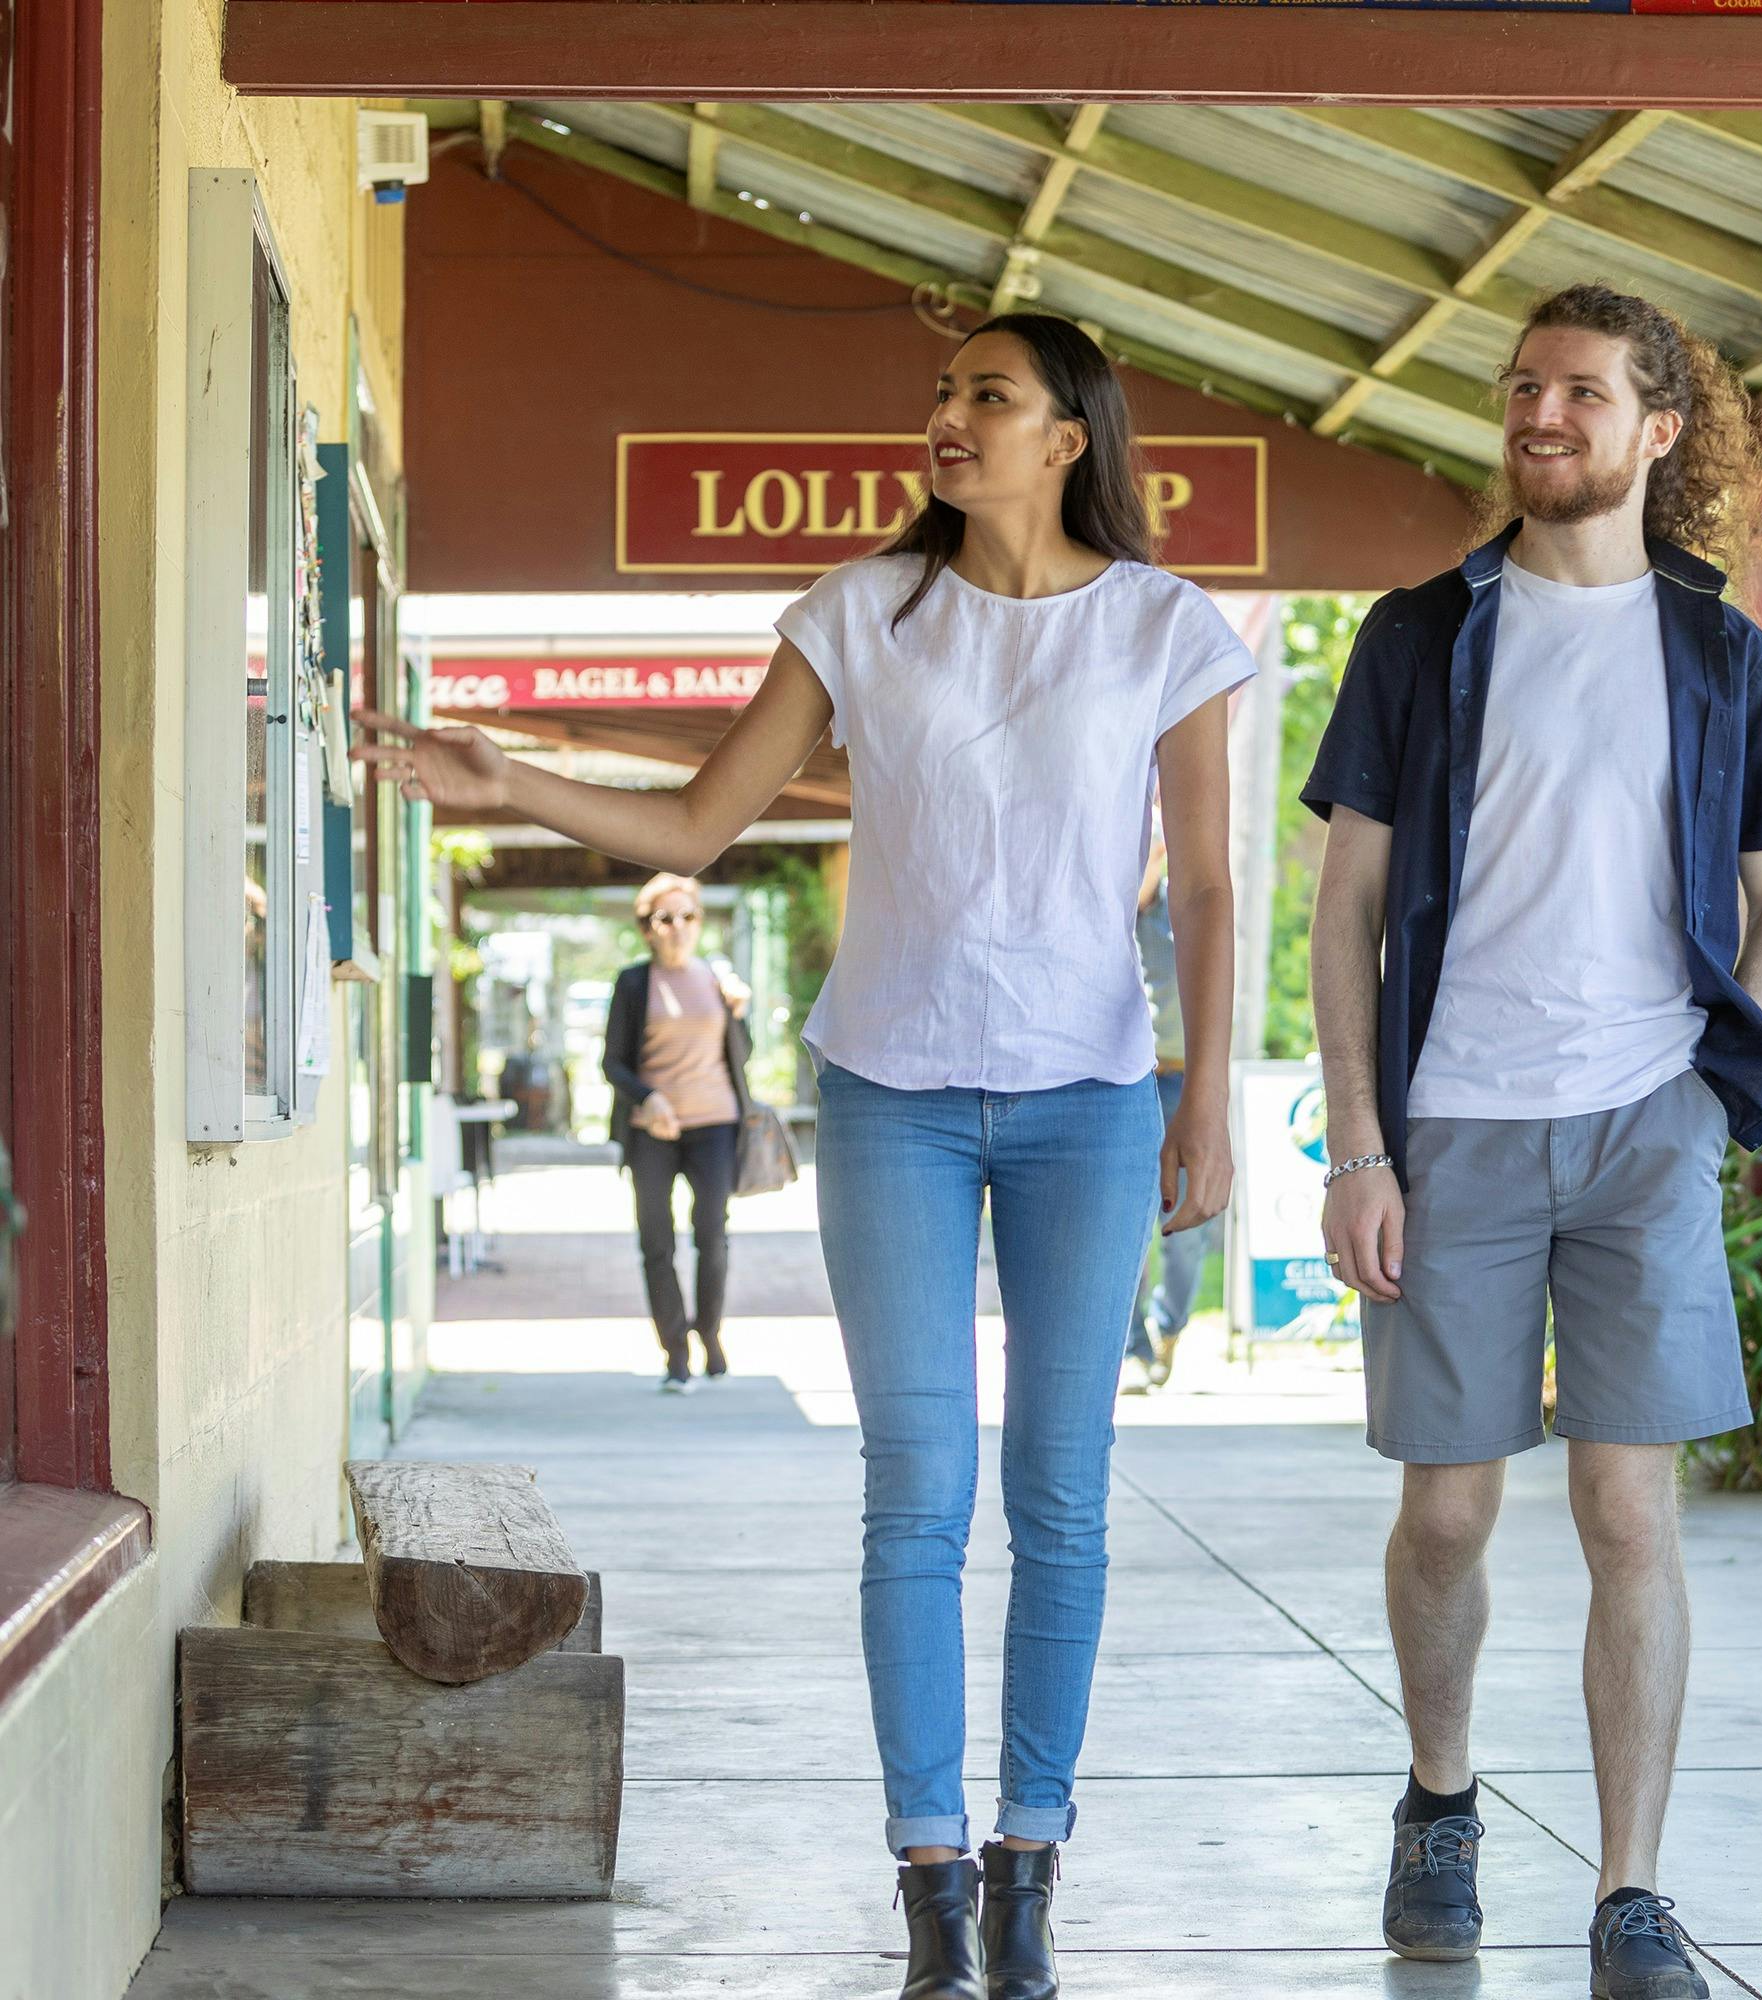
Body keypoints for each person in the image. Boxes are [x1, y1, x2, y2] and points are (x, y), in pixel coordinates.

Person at [354, 310, 1249, 2000]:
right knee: (916, 1492)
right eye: (942, 393)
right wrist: (504, 776)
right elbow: (698, 824)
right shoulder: (863, 612)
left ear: (1069, 437)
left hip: (1089, 1100)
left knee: (1061, 1493)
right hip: (893, 1097)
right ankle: (933, 1879)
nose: (950, 417)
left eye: (989, 396)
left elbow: (1203, 885)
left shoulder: (1163, 626)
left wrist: (1202, 1097)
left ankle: (1031, 1859)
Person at [1305, 283, 1762, 2000]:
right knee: (1448, 1516)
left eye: (1581, 392)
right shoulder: (1419, 635)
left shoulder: (1720, 653)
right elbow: (1349, 905)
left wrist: (1710, 1085)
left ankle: (1630, 1893)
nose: (1540, 414)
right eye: (1525, 386)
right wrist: (1359, 1147)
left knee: (1627, 1510)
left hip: (1642, 1129)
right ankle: (1442, 1798)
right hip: (1453, 1123)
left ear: (1659, 429)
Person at [602, 871, 752, 1393]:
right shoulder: (633, 983)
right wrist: (649, 1097)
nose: (679, 927)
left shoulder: (717, 980)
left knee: (712, 1235)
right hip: (653, 1130)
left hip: (715, 1123)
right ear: (647, 928)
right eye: (666, 918)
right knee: (656, 1241)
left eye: (689, 916)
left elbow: (742, 1055)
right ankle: (675, 1353)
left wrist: (739, 1013)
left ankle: (709, 1332)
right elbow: (612, 1063)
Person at [1120, 838, 1211, 1394]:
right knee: (1127, 1222)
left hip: (1186, 1082)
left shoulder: (1201, 899)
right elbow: (1133, 897)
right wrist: (1151, 855)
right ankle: (1133, 1347)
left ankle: (1169, 1328)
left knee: (1185, 1227)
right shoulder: (1139, 902)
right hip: (1136, 1080)